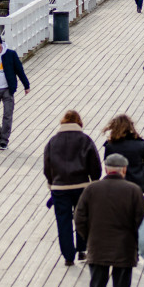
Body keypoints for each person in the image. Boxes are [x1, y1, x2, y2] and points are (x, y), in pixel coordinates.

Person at [74, 153, 144, 287]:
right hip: (124, 251)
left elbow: (79, 217)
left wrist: (89, 237)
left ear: (106, 169)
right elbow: (142, 221)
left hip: (97, 249)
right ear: (124, 170)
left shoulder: (92, 189)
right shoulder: (133, 191)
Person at [44, 110, 102, 266]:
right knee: (82, 217)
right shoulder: (85, 140)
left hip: (60, 188)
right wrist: (94, 181)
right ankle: (82, 250)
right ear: (79, 123)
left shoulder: (53, 141)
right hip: (82, 186)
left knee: (63, 220)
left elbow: (47, 165)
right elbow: (95, 164)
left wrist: (52, 182)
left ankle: (68, 256)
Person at [0, 33, 30, 150]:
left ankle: (4, 140)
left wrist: (26, 85)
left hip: (8, 89)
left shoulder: (11, 54)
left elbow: (19, 70)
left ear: (0, 43)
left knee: (7, 115)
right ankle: (0, 133)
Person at [103, 114, 144, 192]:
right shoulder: (141, 144)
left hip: (117, 185)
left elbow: (107, 163)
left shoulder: (110, 146)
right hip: (137, 184)